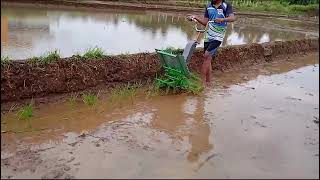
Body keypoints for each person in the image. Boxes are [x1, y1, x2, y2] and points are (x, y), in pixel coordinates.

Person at [187, 0, 235, 87]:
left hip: (218, 36)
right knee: (208, 59)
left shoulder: (226, 5)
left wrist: (222, 19)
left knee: (206, 56)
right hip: (208, 36)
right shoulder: (208, 5)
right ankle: (209, 82)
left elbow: (232, 18)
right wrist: (195, 17)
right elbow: (205, 22)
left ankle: (201, 84)